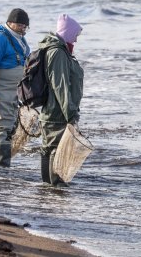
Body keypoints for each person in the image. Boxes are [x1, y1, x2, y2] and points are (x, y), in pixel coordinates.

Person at [38, 14, 84, 187]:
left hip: (54, 110)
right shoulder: (57, 52)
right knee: (55, 148)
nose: (76, 40)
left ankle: (47, 187)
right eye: (75, 35)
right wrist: (70, 113)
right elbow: (60, 86)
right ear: (67, 32)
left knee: (49, 148)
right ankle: (54, 187)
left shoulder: (60, 50)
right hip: (56, 112)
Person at [0, 8, 30, 167]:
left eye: (25, 26)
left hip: (13, 91)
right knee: (2, 130)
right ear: (10, 23)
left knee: (9, 130)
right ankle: (0, 172)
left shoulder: (20, 39)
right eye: (20, 25)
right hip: (0, 90)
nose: (23, 29)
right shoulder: (0, 38)